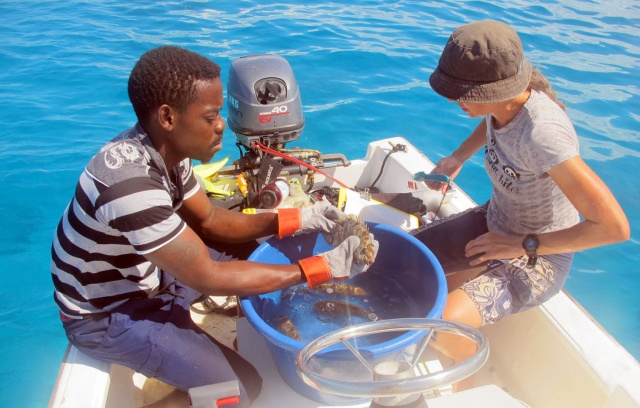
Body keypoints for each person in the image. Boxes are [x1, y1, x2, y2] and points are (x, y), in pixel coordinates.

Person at [50, 45, 378, 407]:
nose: (222, 124)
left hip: (153, 275)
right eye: (210, 117)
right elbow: (205, 275)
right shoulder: (128, 185)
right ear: (168, 117)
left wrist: (299, 219)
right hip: (109, 314)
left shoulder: (168, 153)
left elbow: (211, 220)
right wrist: (320, 269)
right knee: (240, 389)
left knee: (258, 249)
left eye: (221, 113)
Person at [411, 20, 629, 385]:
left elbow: (614, 228)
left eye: (462, 93)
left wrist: (519, 245)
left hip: (539, 256)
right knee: (408, 257)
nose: (453, 100)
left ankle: (473, 383)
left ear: (499, 89)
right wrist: (458, 158)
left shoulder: (544, 135)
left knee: (443, 326)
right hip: (495, 221)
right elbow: (494, 119)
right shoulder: (506, 104)